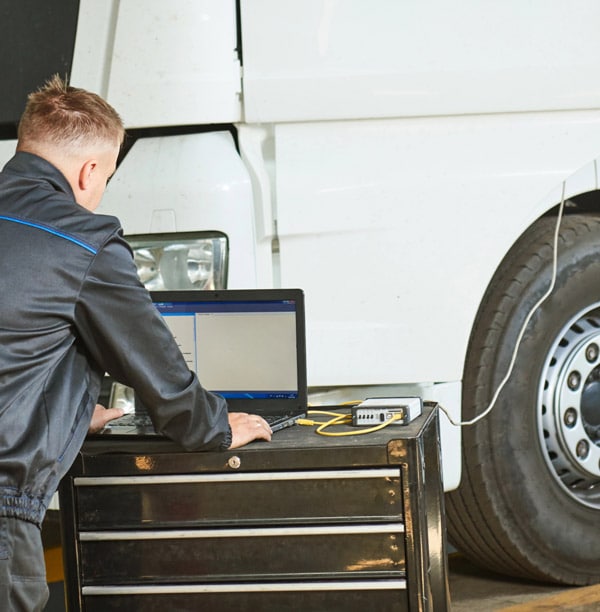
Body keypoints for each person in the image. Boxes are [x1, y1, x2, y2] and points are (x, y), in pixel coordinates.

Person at [0, 75, 272, 611]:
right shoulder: (81, 239)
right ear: (89, 171)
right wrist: (215, 427)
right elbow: (158, 370)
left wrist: (75, 411)